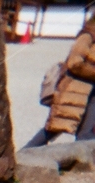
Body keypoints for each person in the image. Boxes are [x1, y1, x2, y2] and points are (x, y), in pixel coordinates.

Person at [23, 17, 95, 149]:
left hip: (92, 94)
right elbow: (74, 63)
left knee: (86, 134)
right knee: (55, 127)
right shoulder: (87, 37)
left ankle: (82, 166)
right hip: (75, 91)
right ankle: (23, 154)